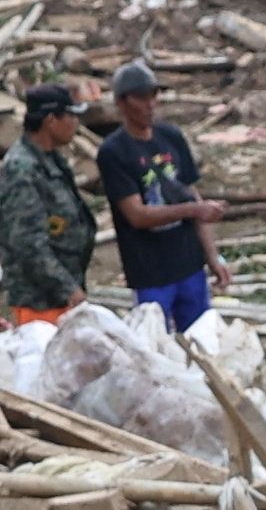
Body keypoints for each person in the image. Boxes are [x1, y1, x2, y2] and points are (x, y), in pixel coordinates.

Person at [89, 57, 221, 336]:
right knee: (153, 345)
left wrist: (212, 257)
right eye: (141, 97)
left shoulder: (170, 136)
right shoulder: (115, 152)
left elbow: (191, 193)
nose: (150, 104)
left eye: (153, 95)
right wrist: (192, 211)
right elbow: (137, 215)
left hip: (189, 263)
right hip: (151, 270)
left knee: (200, 340)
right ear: (122, 103)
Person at [0, 84, 99, 320]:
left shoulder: (51, 160)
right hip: (40, 302)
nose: (75, 124)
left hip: (60, 295)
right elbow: (27, 242)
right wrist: (68, 288)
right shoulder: (22, 168)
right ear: (51, 120)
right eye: (71, 116)